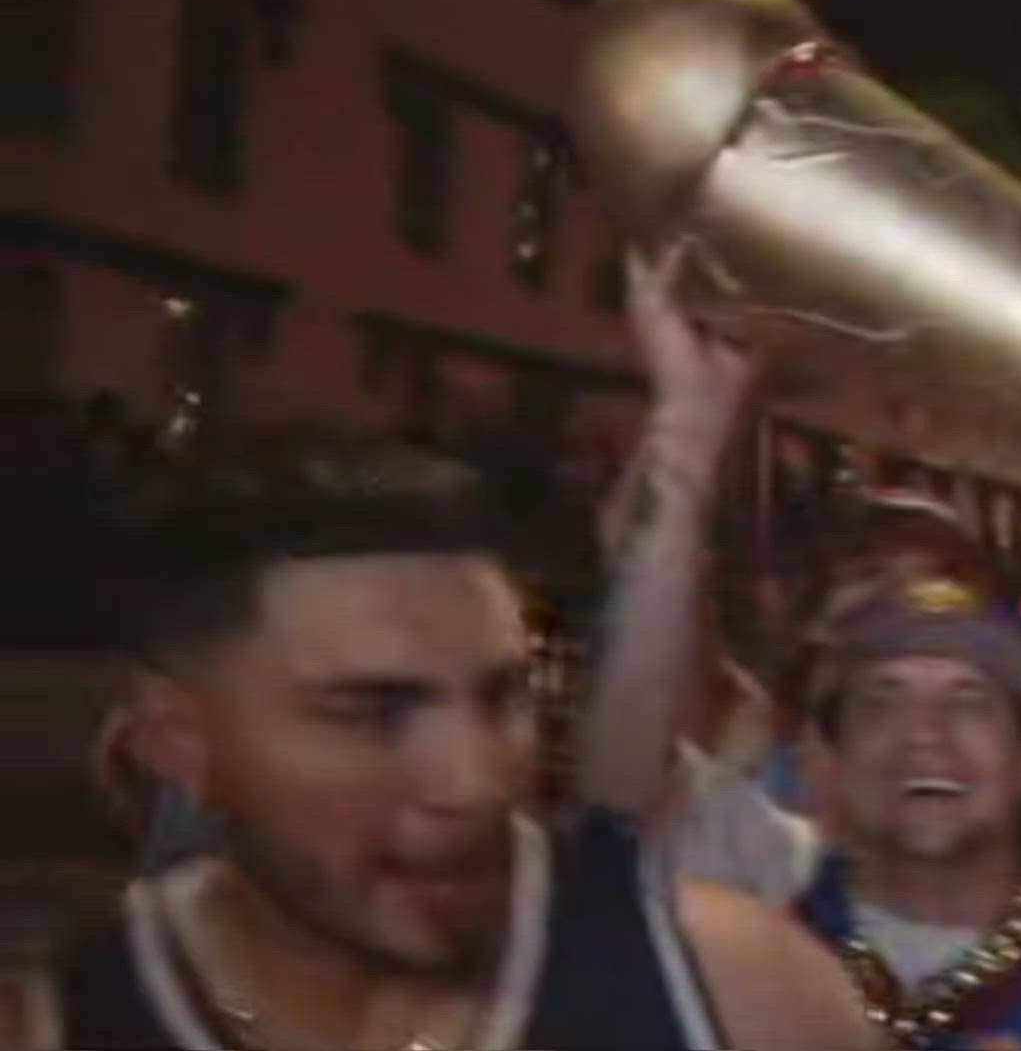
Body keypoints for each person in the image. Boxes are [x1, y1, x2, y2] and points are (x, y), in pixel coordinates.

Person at [0, 255, 875, 1050]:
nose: (475, 780)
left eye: (503, 697)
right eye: (373, 714)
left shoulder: (739, 991)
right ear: (177, 744)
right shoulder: (56, 1021)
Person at [580, 248, 1021, 1049]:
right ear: (828, 757)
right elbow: (623, 791)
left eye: (970, 699)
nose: (925, 731)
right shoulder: (762, 891)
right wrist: (682, 449)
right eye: (883, 699)